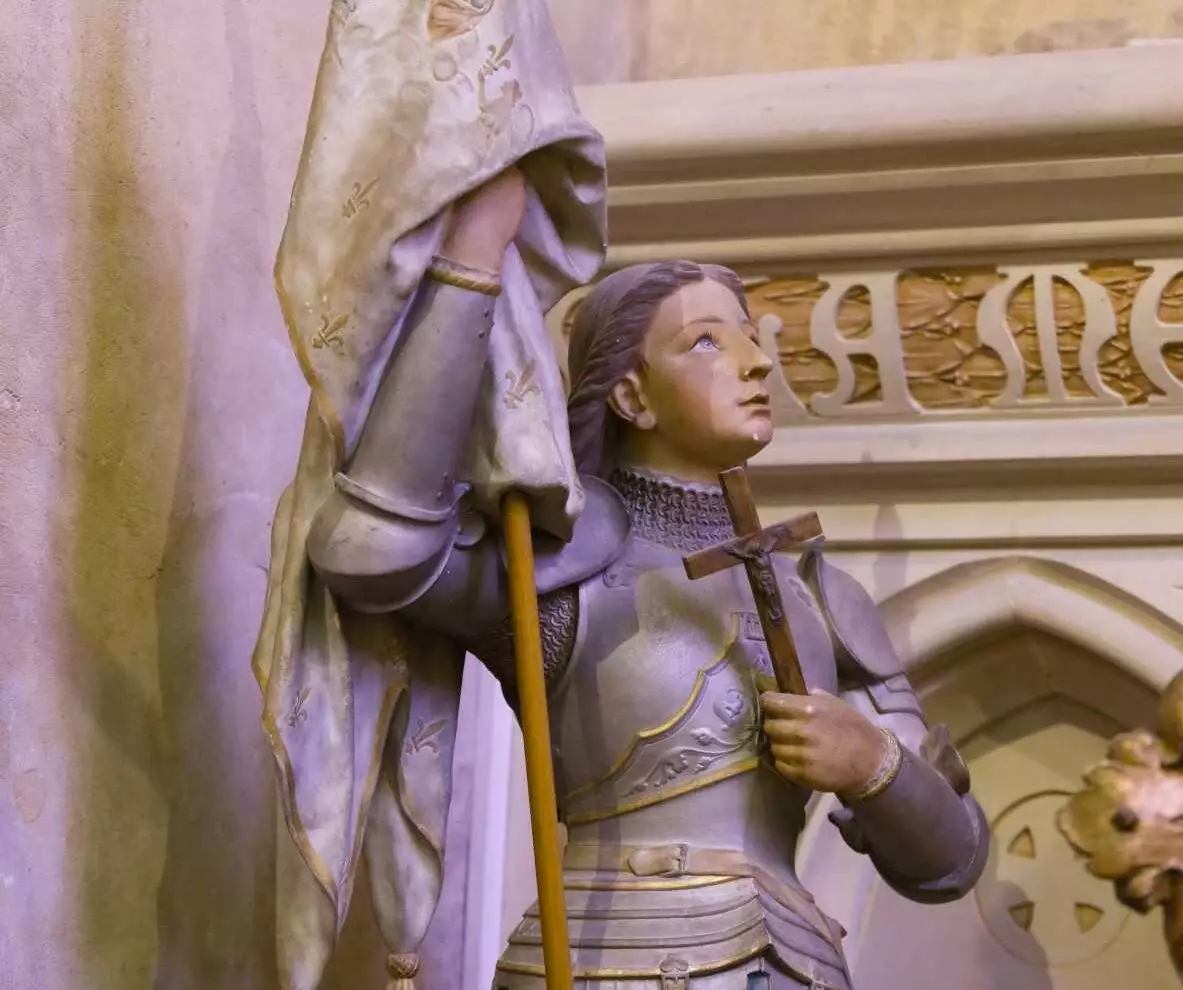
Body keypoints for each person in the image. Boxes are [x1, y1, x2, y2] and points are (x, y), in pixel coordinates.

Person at [306, 168, 988, 989]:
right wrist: (470, 269)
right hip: (612, 962)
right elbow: (370, 549)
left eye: (749, 338)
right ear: (631, 395)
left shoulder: (821, 594)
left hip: (797, 965)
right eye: (707, 343)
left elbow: (951, 859)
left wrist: (874, 764)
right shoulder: (567, 563)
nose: (756, 363)